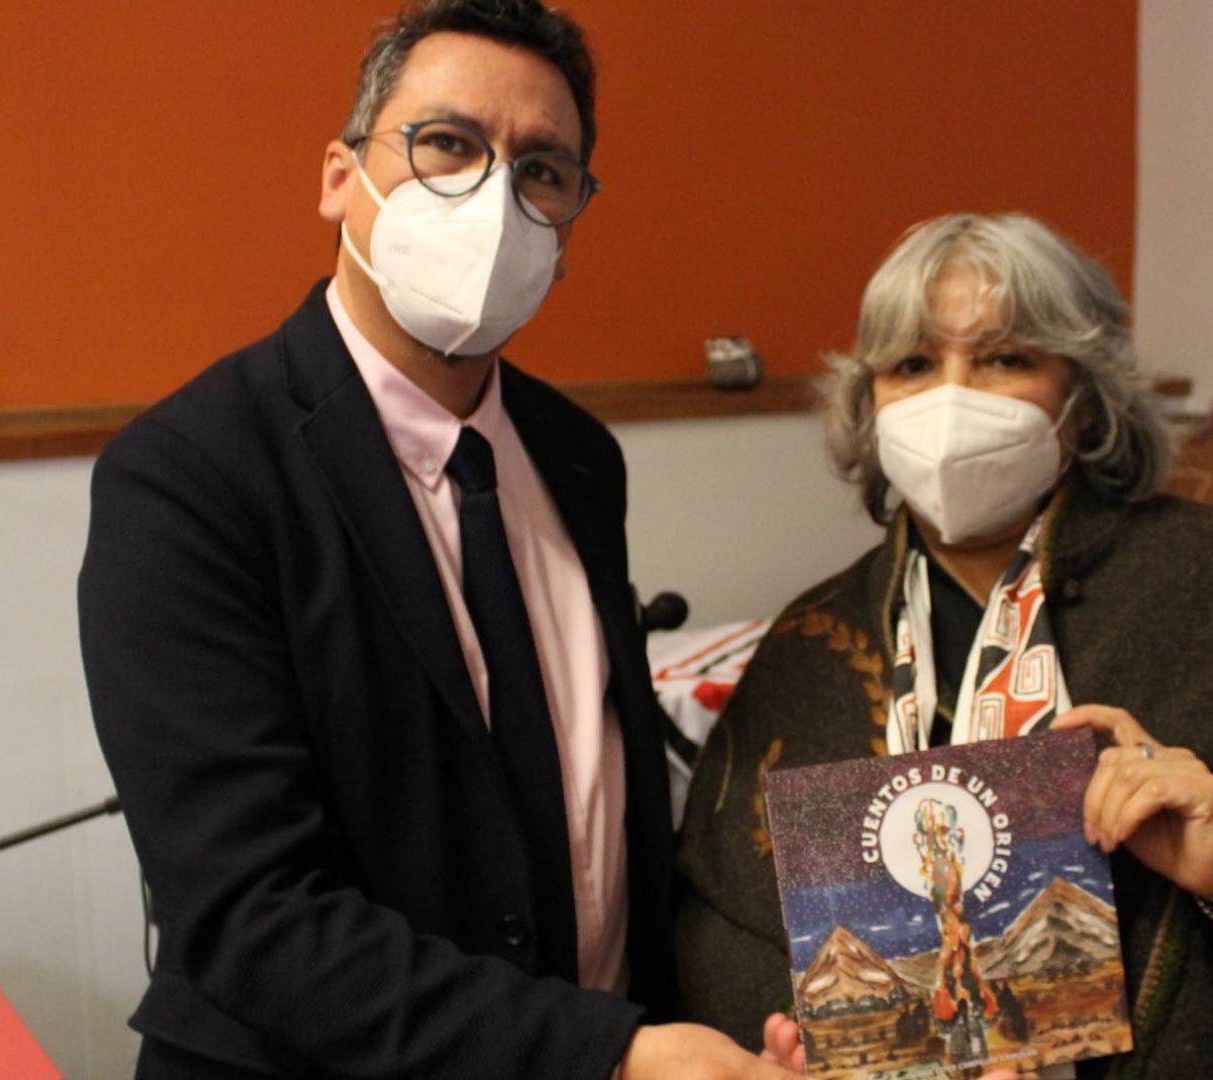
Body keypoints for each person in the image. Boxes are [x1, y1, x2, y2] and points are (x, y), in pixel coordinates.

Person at [79, 2, 792, 1076]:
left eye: (543, 170)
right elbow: (251, 916)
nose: (493, 198)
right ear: (338, 178)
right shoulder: (189, 476)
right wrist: (613, 1053)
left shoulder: (578, 456)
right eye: (448, 144)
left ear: (567, 231)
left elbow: (592, 796)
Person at [675, 212, 1213, 1078]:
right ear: (869, 400)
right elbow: (712, 913)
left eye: (1006, 358)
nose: (953, 398)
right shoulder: (810, 640)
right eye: (914, 364)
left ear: (1083, 397)